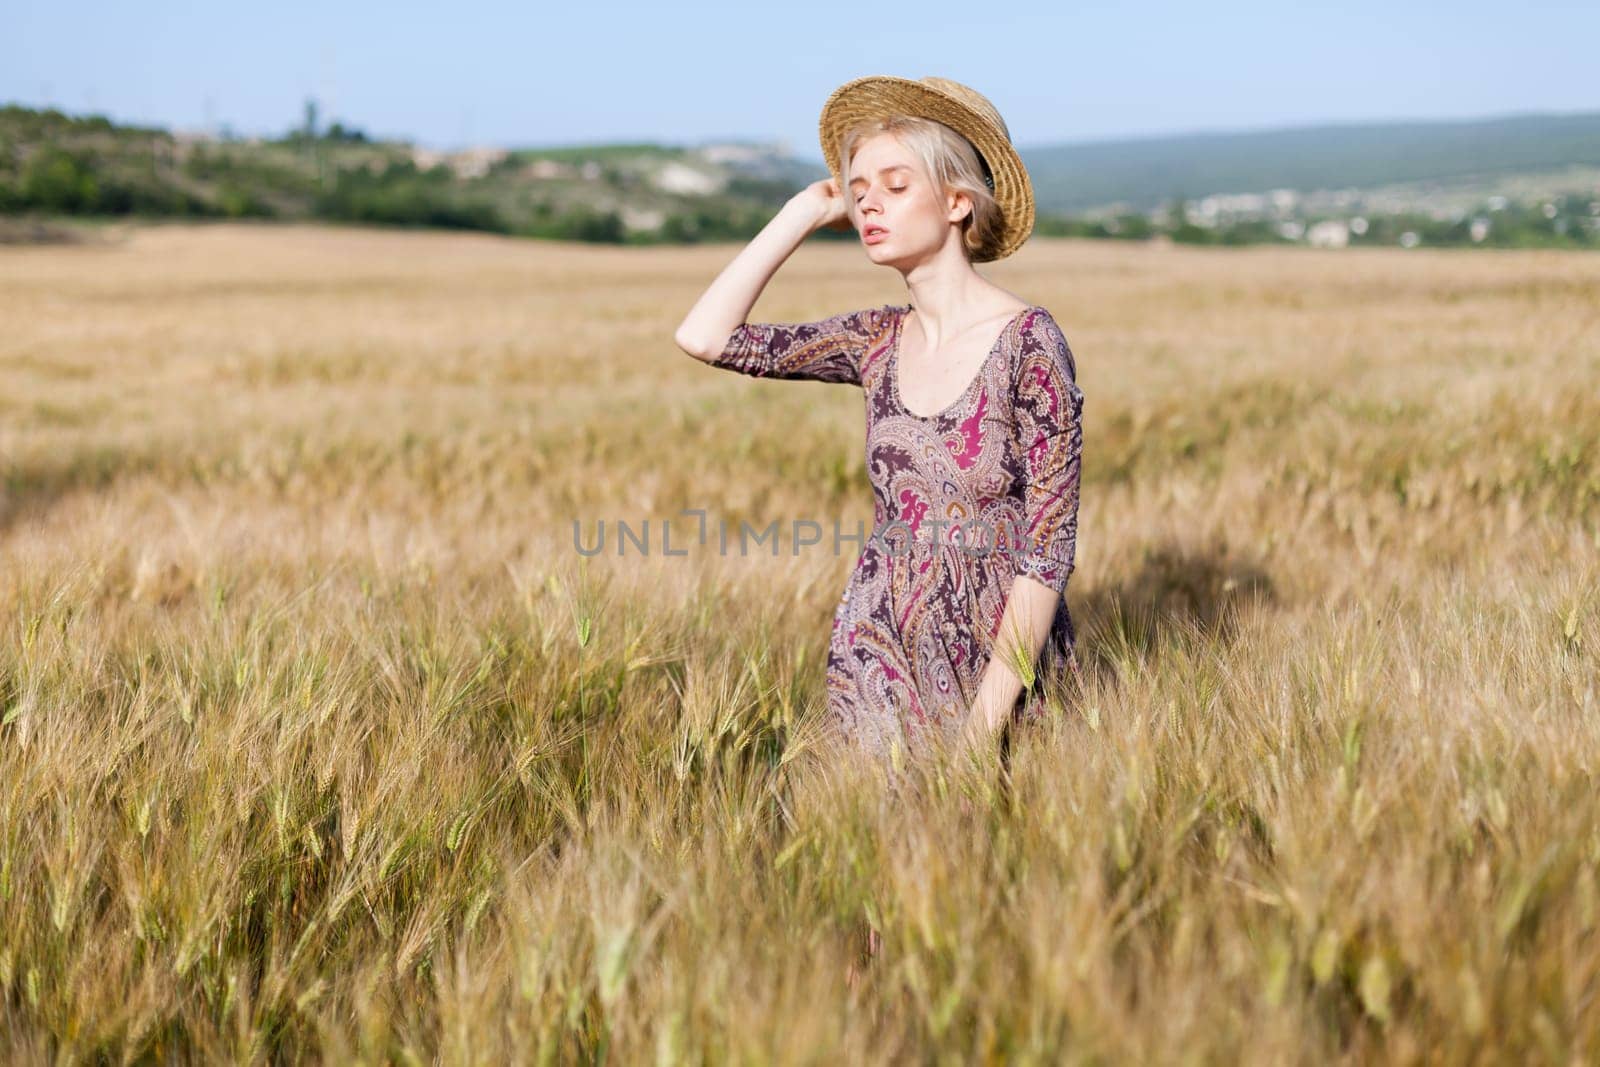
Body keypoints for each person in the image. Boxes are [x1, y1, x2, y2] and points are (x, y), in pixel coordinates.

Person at [674, 75, 1085, 770]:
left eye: (896, 185)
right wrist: (804, 210)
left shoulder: (1029, 342)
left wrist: (981, 738)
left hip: (999, 677)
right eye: (858, 188)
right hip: (874, 664)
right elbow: (706, 336)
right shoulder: (875, 341)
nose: (868, 202)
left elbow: (1047, 553)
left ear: (958, 202)